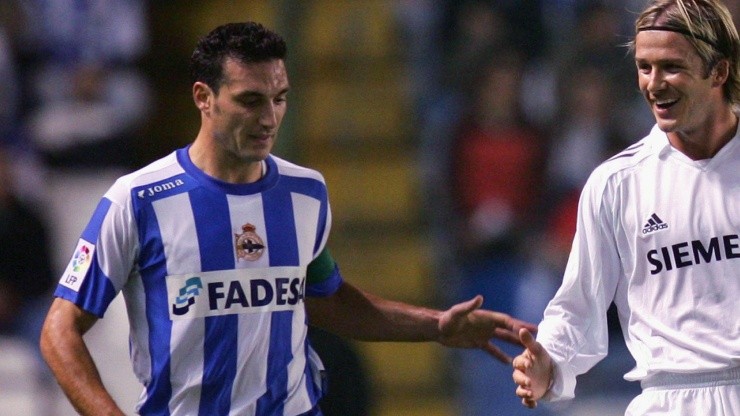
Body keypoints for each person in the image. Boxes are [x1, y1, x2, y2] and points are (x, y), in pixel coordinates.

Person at [39, 21, 535, 416]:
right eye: (250, 100)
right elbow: (60, 331)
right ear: (203, 98)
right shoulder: (139, 199)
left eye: (279, 99)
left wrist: (435, 325)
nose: (270, 118)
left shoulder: (306, 192)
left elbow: (327, 299)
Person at [512, 0, 740, 415]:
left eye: (671, 66)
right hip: (667, 401)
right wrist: (550, 361)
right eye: (644, 67)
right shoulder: (614, 185)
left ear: (719, 71)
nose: (654, 83)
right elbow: (578, 308)